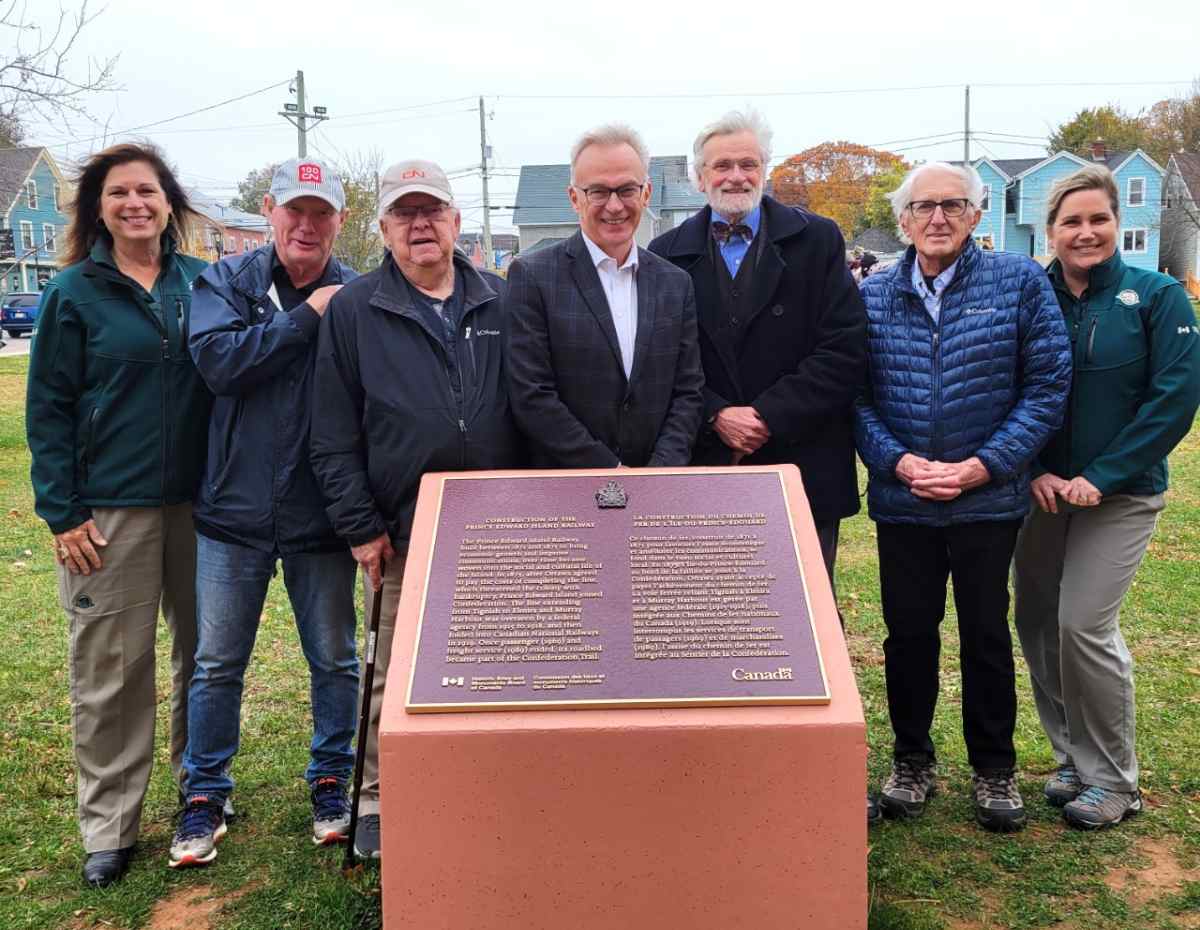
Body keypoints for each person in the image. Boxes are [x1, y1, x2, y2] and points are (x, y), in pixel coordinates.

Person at [310, 159, 525, 859]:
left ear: (457, 222)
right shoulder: (355, 309)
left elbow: (534, 405)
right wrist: (361, 526)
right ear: (384, 229)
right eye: (404, 213)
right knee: (394, 670)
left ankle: (487, 778)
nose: (420, 224)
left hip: (502, 525)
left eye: (432, 210)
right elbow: (331, 432)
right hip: (405, 529)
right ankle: (378, 796)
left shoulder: (502, 299)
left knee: (502, 663)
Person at [855, 162, 1072, 833]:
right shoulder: (873, 294)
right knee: (908, 636)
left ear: (977, 215)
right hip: (905, 501)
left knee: (985, 635)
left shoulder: (1019, 282)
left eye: (954, 204)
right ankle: (911, 762)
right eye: (923, 206)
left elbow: (1046, 386)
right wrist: (897, 462)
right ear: (903, 220)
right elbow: (855, 395)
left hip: (987, 501)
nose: (938, 218)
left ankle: (994, 768)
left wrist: (985, 466)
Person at [26, 142, 211, 886]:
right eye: (118, 193)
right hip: (108, 513)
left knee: (204, 659)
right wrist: (62, 512)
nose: (135, 203)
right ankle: (110, 824)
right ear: (98, 210)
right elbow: (48, 409)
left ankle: (202, 789)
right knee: (112, 671)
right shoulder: (73, 293)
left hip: (202, 507)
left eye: (147, 191)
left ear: (169, 204)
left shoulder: (203, 283)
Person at [168, 158, 359, 868]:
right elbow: (220, 365)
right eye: (294, 210)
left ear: (340, 221)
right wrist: (307, 318)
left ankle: (332, 780)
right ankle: (204, 793)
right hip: (232, 511)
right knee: (217, 664)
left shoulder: (359, 293)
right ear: (270, 213)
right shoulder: (225, 282)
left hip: (321, 515)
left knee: (334, 659)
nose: (306, 225)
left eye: (321, 213)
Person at [1013, 165, 1200, 829]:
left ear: (1118, 224)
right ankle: (1073, 758)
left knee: (1083, 625)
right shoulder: (1030, 294)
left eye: (1099, 219)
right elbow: (1003, 385)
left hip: (1120, 495)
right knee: (1037, 622)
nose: (1086, 232)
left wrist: (1105, 474)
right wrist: (1034, 467)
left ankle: (1115, 780)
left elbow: (1173, 399)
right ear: (1050, 230)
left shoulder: (1157, 297)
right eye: (1072, 221)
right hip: (1042, 492)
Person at [648, 108, 866, 600]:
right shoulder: (664, 254)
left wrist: (767, 415)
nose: (736, 176)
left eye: (748, 164)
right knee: (710, 613)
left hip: (802, 460)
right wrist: (716, 414)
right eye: (721, 165)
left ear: (765, 170)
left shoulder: (817, 240)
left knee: (802, 611)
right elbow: (658, 362)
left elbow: (844, 348)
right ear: (699, 176)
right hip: (707, 461)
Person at [507, 124, 704, 467]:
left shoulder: (675, 283)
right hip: (568, 486)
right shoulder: (533, 277)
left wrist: (660, 472)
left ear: (646, 193)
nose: (614, 206)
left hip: (657, 484)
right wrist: (612, 473)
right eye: (598, 191)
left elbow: (688, 392)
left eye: (627, 190)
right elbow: (532, 396)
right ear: (575, 198)